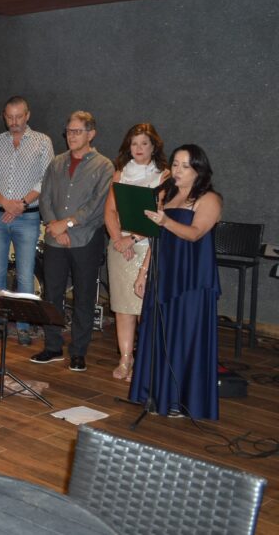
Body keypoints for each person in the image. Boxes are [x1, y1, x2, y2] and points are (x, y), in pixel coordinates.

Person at [130, 145, 221, 420]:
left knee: (184, 336)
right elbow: (156, 239)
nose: (177, 170)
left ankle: (180, 400)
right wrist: (143, 272)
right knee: (159, 333)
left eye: (185, 166)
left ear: (198, 170)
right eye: (175, 164)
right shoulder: (167, 196)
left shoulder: (209, 199)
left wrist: (165, 221)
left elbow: (194, 234)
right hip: (164, 273)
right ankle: (155, 394)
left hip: (190, 278)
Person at [31, 111, 114, 371]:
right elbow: (45, 198)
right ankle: (53, 347)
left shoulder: (104, 166)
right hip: (56, 239)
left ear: (91, 134)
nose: (71, 136)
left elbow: (96, 205)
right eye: (68, 131)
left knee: (84, 297)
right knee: (52, 295)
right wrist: (55, 227)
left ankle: (78, 351)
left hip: (86, 239)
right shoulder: (56, 163)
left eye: (77, 131)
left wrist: (66, 224)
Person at [0, 96, 53, 346]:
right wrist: (5, 203)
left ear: (27, 115)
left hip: (28, 217)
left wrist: (21, 203)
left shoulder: (43, 142)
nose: (14, 122)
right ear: (4, 116)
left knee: (25, 274)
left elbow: (45, 179)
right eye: (9, 117)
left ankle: (23, 326)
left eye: (18, 117)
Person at [103, 123, 168, 381]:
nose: (139, 148)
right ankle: (125, 359)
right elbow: (110, 211)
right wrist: (118, 239)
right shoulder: (120, 174)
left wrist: (132, 239)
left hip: (146, 247)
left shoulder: (163, 176)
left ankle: (144, 361)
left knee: (144, 309)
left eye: (144, 143)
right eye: (134, 143)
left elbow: (160, 216)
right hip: (119, 246)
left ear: (154, 147)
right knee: (122, 307)